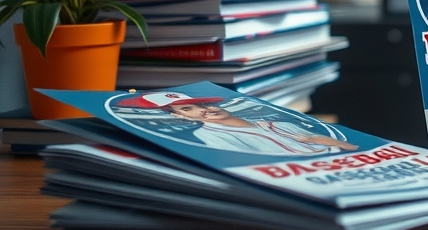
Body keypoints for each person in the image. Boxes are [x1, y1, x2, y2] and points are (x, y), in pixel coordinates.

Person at [119, 91, 358, 155]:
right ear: (182, 117)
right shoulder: (210, 137)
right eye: (188, 109)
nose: (203, 110)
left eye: (201, 104)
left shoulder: (271, 123)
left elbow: (330, 143)